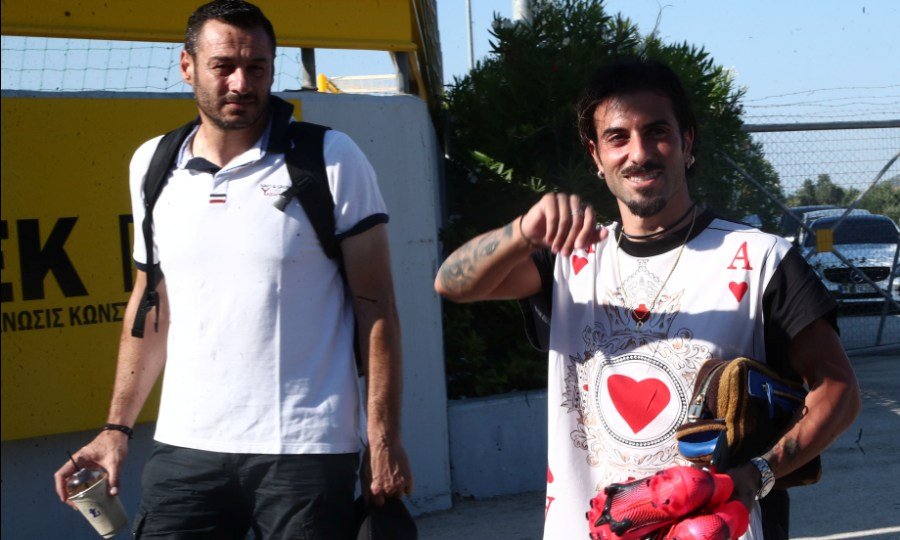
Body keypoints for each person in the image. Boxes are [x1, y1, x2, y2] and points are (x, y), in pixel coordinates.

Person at [434, 59, 860, 539]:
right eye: (617, 137)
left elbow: (840, 391)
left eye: (657, 132)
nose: (638, 153)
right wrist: (521, 232)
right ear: (596, 155)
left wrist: (756, 474)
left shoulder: (762, 260)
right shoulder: (570, 262)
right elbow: (452, 283)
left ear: (687, 142)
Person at [53, 1, 412, 537]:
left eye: (257, 67)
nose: (241, 83)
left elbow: (377, 309)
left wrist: (382, 438)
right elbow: (151, 306)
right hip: (186, 447)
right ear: (187, 66)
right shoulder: (153, 164)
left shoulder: (332, 158)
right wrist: (115, 429)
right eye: (223, 66)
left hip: (305, 449)